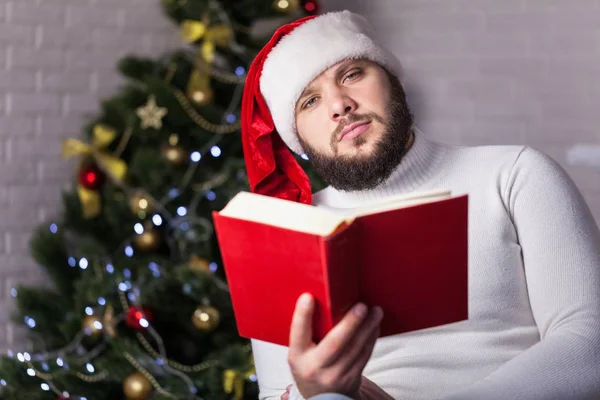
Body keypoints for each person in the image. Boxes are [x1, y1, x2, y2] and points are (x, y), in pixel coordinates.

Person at [240, 10, 600, 400]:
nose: (339, 105)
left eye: (352, 74)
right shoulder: (288, 237)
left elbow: (589, 340)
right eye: (310, 101)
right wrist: (311, 391)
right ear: (297, 137)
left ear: (391, 79)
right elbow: (275, 392)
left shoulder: (514, 174)